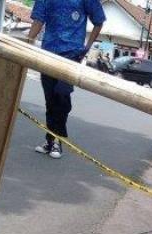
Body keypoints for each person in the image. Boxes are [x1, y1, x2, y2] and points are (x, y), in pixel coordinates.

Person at [27, 0, 106, 159]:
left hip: (71, 55)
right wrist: (27, 41)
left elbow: (99, 20)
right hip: (49, 53)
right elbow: (38, 20)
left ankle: (58, 140)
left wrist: (87, 47)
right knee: (50, 100)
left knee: (62, 98)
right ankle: (49, 140)